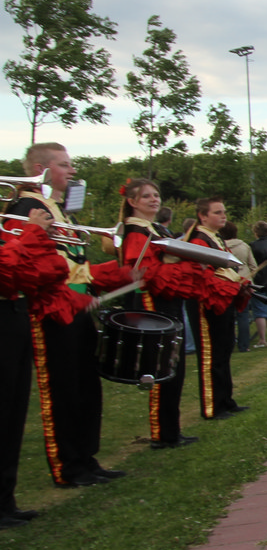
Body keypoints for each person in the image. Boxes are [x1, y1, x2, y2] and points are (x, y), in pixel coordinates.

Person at [7, 143, 131, 487]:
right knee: (62, 389)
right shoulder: (26, 207)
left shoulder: (58, 210)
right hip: (51, 311)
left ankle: (87, 458)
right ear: (41, 170)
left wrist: (104, 281)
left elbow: (75, 263)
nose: (72, 171)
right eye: (64, 165)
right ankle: (68, 466)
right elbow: (34, 265)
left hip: (76, 307)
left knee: (86, 386)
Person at [118, 178, 206, 448]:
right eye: (147, 196)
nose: (154, 199)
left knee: (174, 368)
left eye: (156, 195)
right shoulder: (136, 231)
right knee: (161, 368)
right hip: (153, 304)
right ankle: (162, 434)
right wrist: (185, 267)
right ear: (132, 202)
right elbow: (148, 273)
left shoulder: (154, 228)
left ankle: (172, 431)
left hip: (170, 302)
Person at [1, 215, 75, 522]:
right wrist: (31, 233)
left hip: (15, 312)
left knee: (14, 412)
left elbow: (29, 273)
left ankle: (5, 501)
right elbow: (5, 271)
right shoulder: (18, 233)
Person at [184, 198, 248, 420]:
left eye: (224, 211)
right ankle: (212, 406)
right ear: (203, 216)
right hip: (208, 302)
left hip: (223, 298)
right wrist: (231, 287)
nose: (223, 216)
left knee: (224, 349)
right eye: (217, 212)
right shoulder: (198, 240)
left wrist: (239, 284)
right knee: (211, 354)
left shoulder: (216, 237)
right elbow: (204, 276)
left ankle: (226, 400)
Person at [220, 221, 260, 353]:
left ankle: (229, 344)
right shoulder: (244, 246)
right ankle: (244, 345)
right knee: (243, 315)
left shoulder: (220, 246)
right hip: (243, 281)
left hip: (227, 281)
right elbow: (253, 266)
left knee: (228, 315)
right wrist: (249, 279)